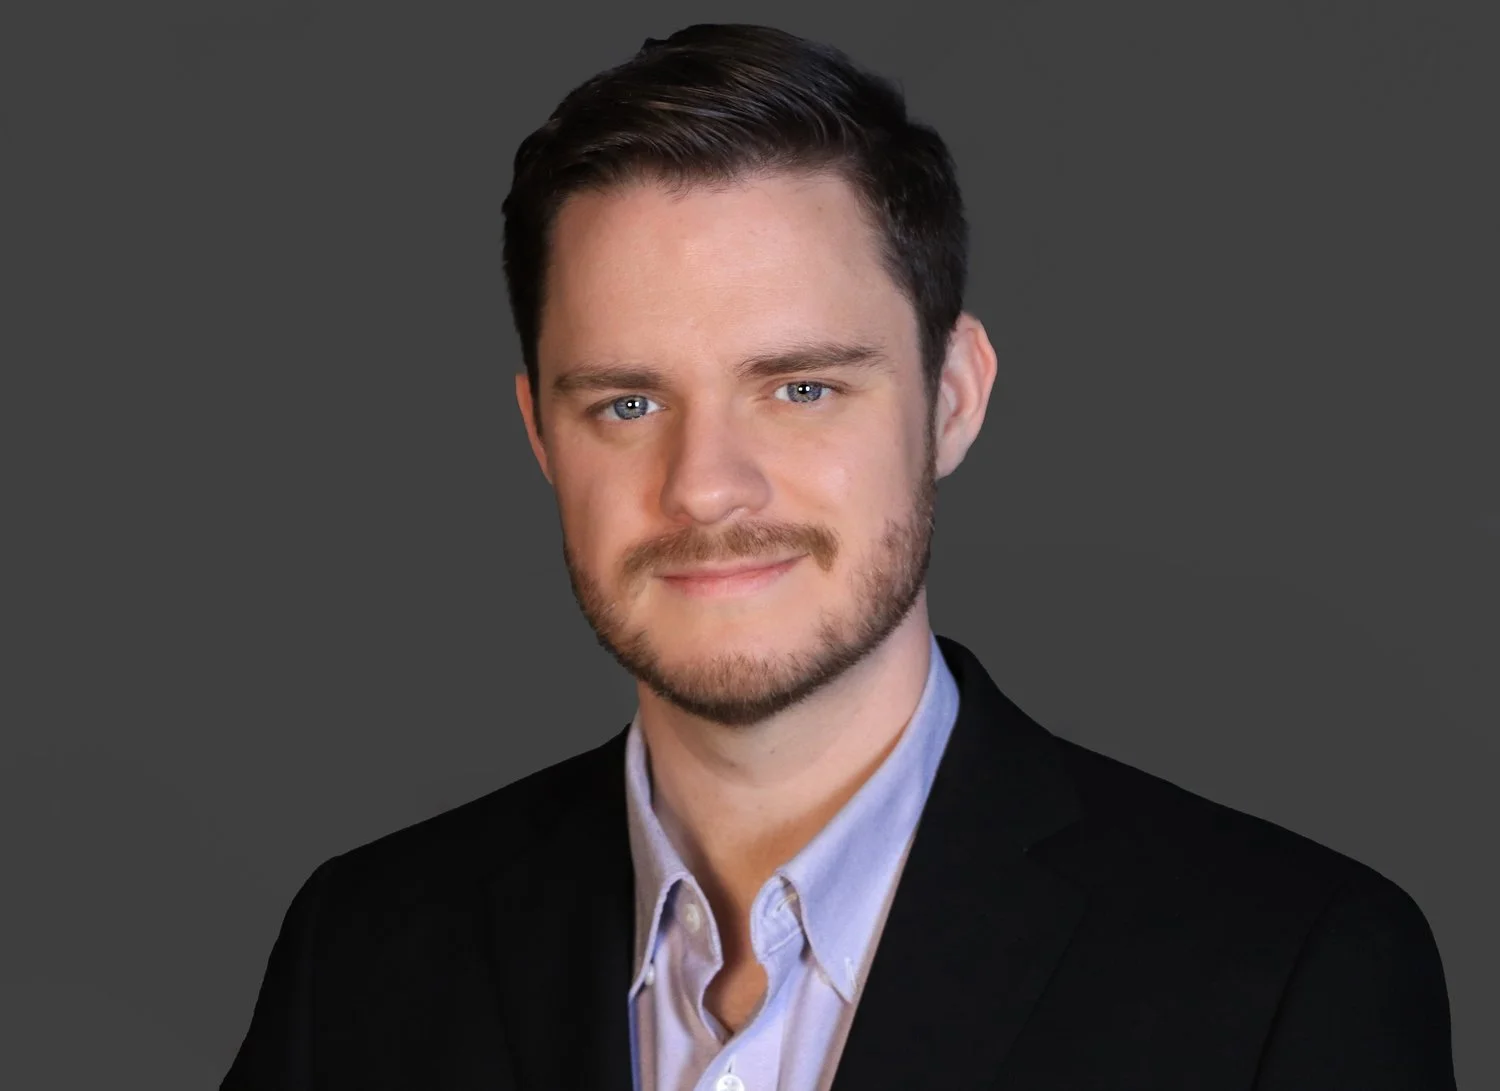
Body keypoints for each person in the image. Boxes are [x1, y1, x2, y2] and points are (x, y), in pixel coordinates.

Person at [222, 23, 1456, 1091]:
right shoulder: (365, 951)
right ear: (541, 432)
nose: (706, 484)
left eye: (801, 386)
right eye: (627, 404)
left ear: (953, 398)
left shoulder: (1291, 970)